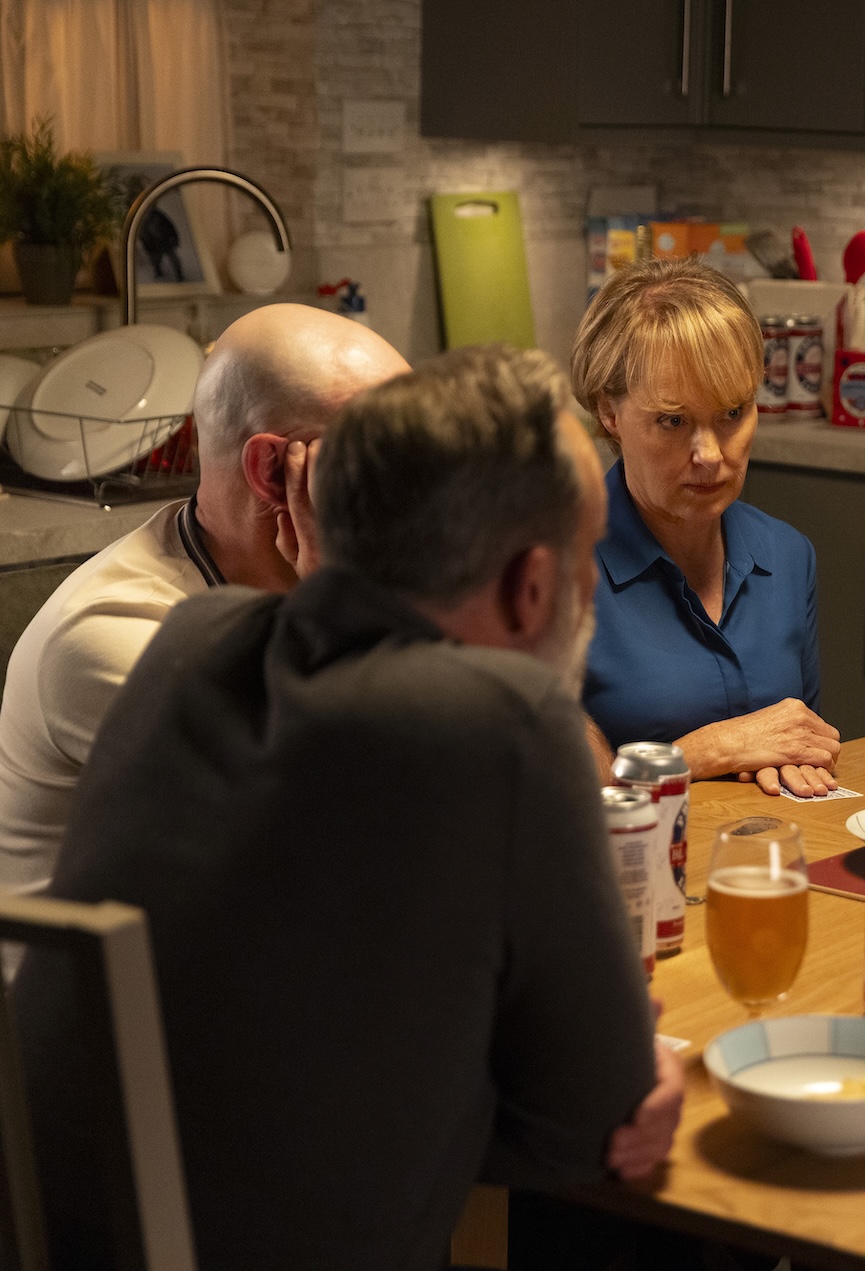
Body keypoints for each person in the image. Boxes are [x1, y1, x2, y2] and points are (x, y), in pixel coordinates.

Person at [13, 346, 682, 1269]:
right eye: (587, 557)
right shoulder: (511, 722)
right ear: (534, 585)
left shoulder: (189, 636)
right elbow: (589, 1127)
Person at [0, 304, 408, 895]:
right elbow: (344, 839)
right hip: (116, 984)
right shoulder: (115, 633)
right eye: (390, 453)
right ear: (272, 472)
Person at [571, 259, 839, 797]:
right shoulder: (552, 570)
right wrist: (713, 751)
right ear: (609, 413)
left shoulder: (788, 556)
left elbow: (803, 743)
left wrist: (797, 757)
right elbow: (545, 790)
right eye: (673, 421)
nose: (711, 455)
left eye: (733, 412)